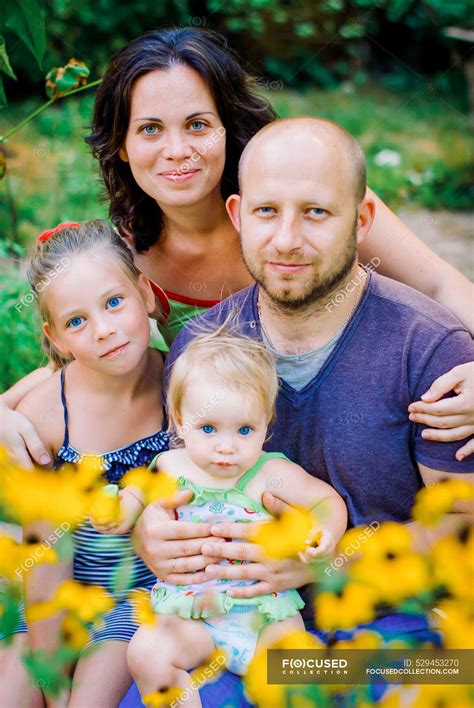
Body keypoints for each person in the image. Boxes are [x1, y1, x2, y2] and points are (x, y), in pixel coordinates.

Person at [1, 27, 473, 469]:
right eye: (149, 129)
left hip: (354, 430)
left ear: (230, 126)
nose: (176, 149)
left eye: (198, 125)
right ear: (120, 145)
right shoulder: (127, 250)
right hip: (235, 454)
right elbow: (74, 360)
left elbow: (438, 282)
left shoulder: (308, 203)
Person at [133, 117, 474, 703]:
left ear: (361, 220)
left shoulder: (431, 351)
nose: (287, 239)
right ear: (238, 214)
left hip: (400, 636)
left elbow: (461, 531)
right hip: (234, 624)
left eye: (315, 212)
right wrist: (150, 534)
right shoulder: (203, 346)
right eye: (267, 212)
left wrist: (329, 561)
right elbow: (177, 486)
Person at [126, 328, 347, 703]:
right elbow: (138, 494)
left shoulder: (269, 472)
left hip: (265, 617)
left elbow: (325, 500)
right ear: (180, 420)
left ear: (266, 423)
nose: (226, 448)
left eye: (245, 429)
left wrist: (322, 533)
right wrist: (123, 510)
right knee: (146, 653)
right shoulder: (168, 465)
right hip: (193, 615)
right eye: (208, 428)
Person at [1, 221, 169, 708]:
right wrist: (51, 676)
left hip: (138, 599)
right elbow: (45, 561)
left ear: (145, 292)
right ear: (55, 338)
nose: (104, 330)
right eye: (76, 322)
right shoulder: (47, 417)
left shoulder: (180, 386)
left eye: (114, 302)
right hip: (56, 594)